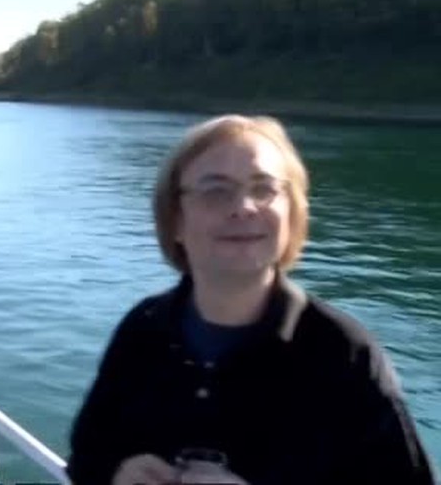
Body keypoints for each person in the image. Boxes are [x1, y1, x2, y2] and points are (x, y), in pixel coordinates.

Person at [64, 114, 436, 485]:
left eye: (264, 189)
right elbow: (86, 458)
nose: (243, 207)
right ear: (175, 220)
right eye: (216, 191)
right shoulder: (143, 331)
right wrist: (116, 474)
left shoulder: (344, 355)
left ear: (291, 214)